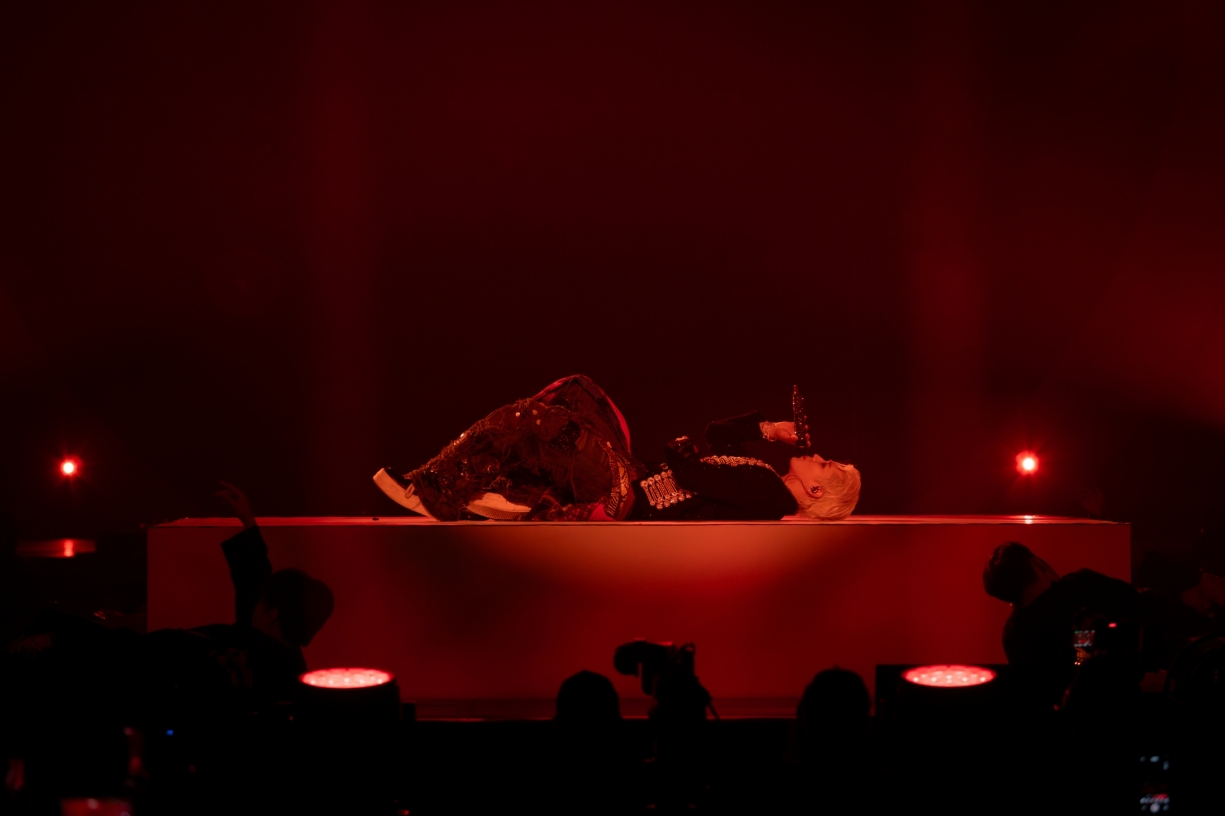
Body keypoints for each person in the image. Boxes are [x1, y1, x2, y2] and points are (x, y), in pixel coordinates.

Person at [374, 374, 860, 521]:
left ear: (815, 491)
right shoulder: (764, 479)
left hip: (623, 492)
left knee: (531, 419)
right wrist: (768, 429)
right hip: (628, 475)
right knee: (577, 391)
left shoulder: (770, 496)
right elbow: (718, 435)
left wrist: (679, 448)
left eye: (828, 465)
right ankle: (515, 486)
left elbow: (692, 472)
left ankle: (437, 491)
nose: (821, 456)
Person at [982, 541, 1140, 705]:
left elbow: (1032, 691)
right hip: (1121, 698)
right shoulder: (1081, 586)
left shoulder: (1014, 633)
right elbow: (1140, 603)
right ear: (1039, 564)